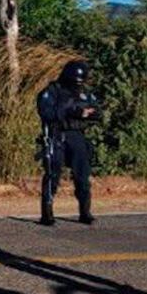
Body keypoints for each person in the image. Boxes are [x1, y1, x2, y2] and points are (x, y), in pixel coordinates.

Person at [36, 60, 100, 226]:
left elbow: (96, 111)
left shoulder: (84, 93)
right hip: (57, 135)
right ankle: (47, 213)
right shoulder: (53, 91)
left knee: (82, 175)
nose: (78, 85)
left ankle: (85, 211)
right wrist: (74, 112)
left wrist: (88, 114)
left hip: (77, 136)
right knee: (52, 173)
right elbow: (46, 112)